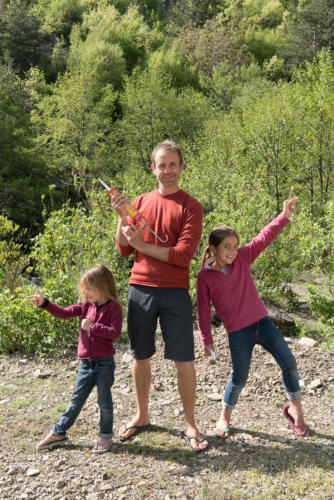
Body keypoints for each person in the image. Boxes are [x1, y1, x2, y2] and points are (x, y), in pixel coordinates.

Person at [111, 140, 208, 452]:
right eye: (161, 165)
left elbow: (182, 256)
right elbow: (123, 248)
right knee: (140, 356)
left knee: (184, 359)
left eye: (172, 165)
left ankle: (190, 422)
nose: (167, 171)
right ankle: (141, 415)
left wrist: (142, 246)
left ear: (181, 167)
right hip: (139, 289)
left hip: (175, 292)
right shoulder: (139, 201)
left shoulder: (191, 206)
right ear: (152, 168)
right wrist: (121, 217)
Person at [196, 197, 310, 439]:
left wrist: (284, 216)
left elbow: (263, 237)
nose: (232, 250)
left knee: (289, 363)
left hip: (263, 323)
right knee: (240, 377)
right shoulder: (204, 278)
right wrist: (207, 340)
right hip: (238, 332)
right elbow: (204, 311)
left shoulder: (243, 257)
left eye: (235, 245)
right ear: (214, 248)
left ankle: (296, 412)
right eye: (227, 246)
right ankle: (224, 416)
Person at [27, 265, 122, 454]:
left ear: (103, 286)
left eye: (89, 288)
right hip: (85, 364)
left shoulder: (114, 308)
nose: (85, 293)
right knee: (75, 401)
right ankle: (59, 432)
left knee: (104, 402)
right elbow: (64, 312)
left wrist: (93, 327)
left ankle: (105, 435)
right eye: (84, 289)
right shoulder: (86, 306)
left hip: (104, 363)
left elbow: (115, 333)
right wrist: (44, 303)